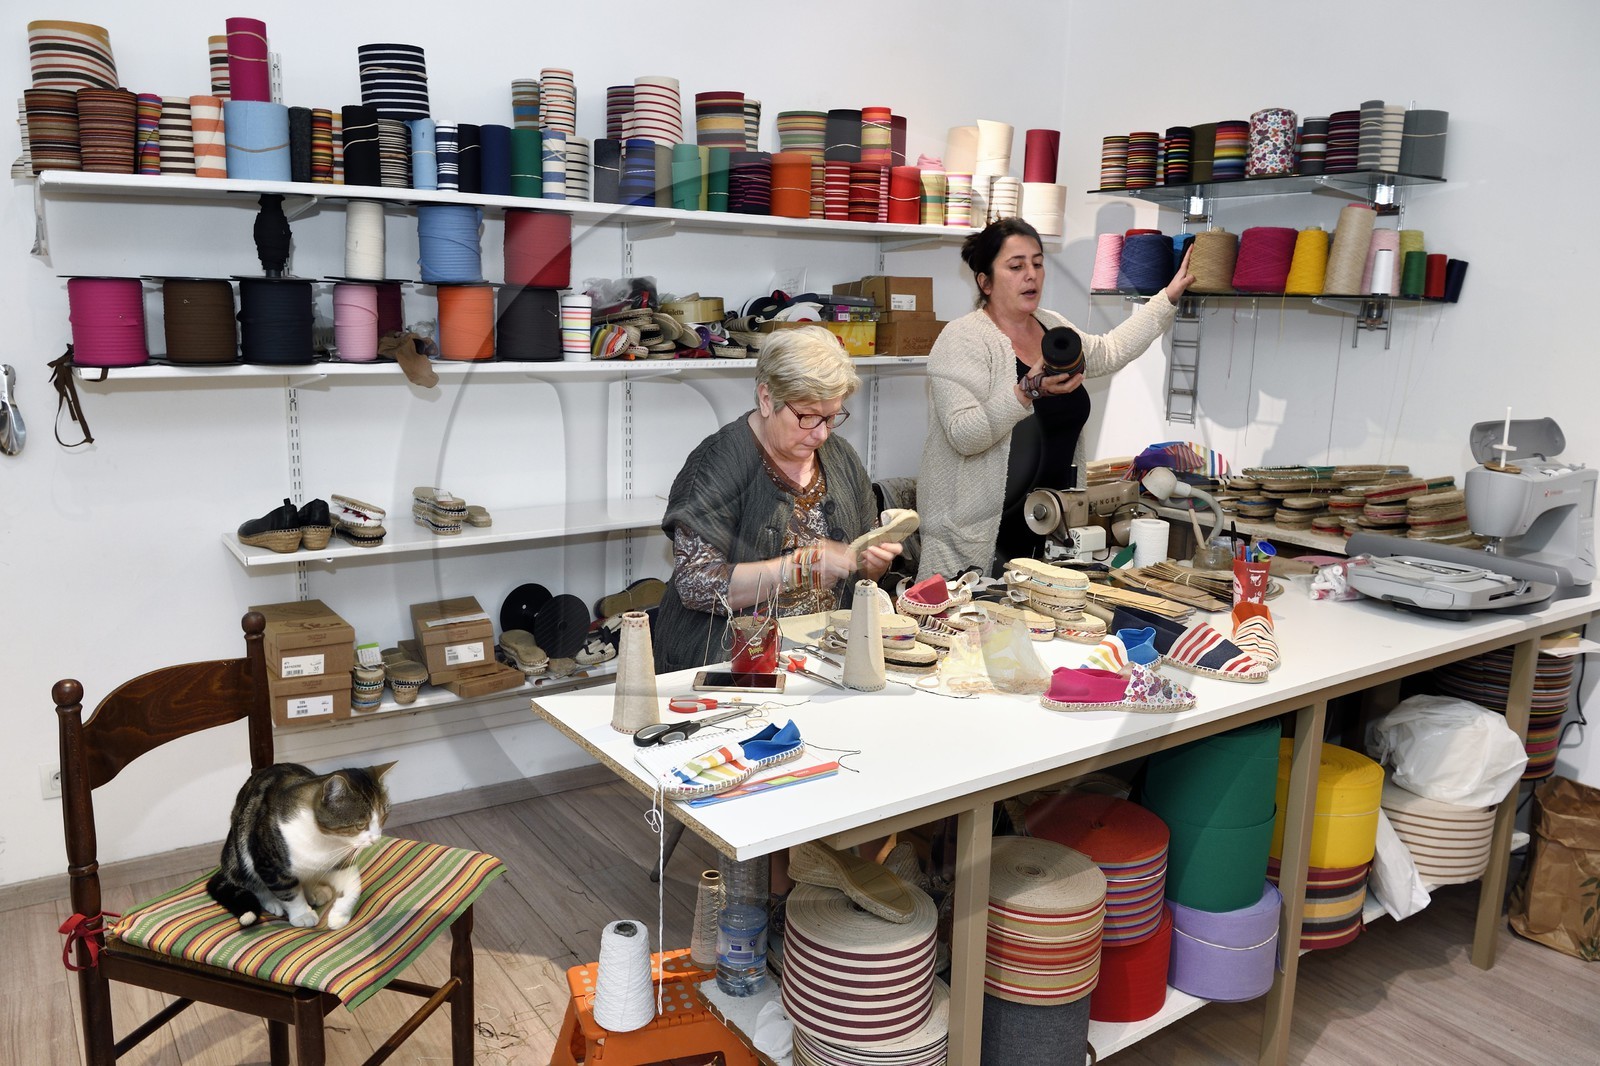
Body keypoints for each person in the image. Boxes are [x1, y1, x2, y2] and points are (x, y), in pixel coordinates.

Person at [916, 217, 1196, 579]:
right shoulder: (962, 339)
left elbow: (1109, 351)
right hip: (974, 541)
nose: (1031, 274)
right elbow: (965, 435)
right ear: (984, 282)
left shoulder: (1052, 326)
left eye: (1037, 262)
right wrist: (1025, 392)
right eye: (1016, 266)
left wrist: (1167, 297)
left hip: (1048, 527)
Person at [654, 325, 903, 674]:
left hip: (820, 657)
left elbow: (860, 564)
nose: (821, 433)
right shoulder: (719, 463)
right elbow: (695, 584)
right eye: (807, 416)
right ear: (767, 398)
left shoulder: (841, 457)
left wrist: (873, 564)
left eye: (832, 417)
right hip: (728, 663)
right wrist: (799, 569)